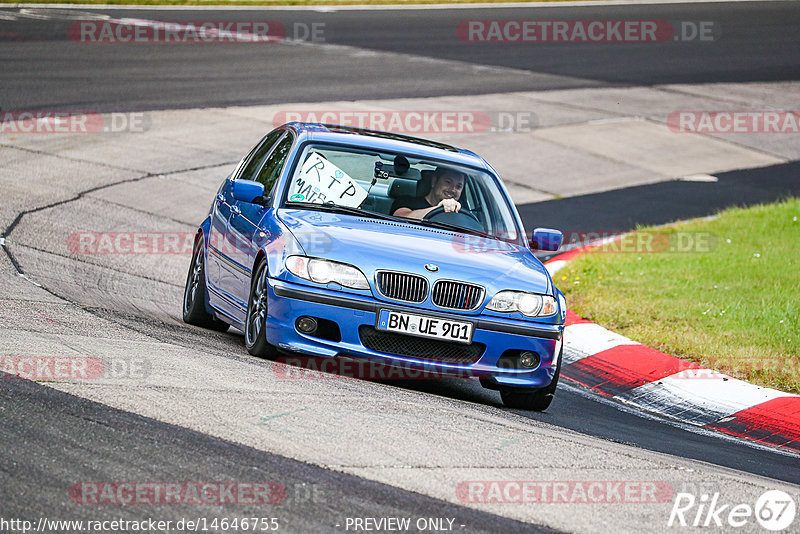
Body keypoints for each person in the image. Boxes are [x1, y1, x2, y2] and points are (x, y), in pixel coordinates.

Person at [392, 166, 465, 220]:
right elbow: (399, 218)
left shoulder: (462, 213)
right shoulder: (406, 201)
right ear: (434, 181)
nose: (452, 189)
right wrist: (439, 208)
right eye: (448, 182)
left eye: (458, 186)